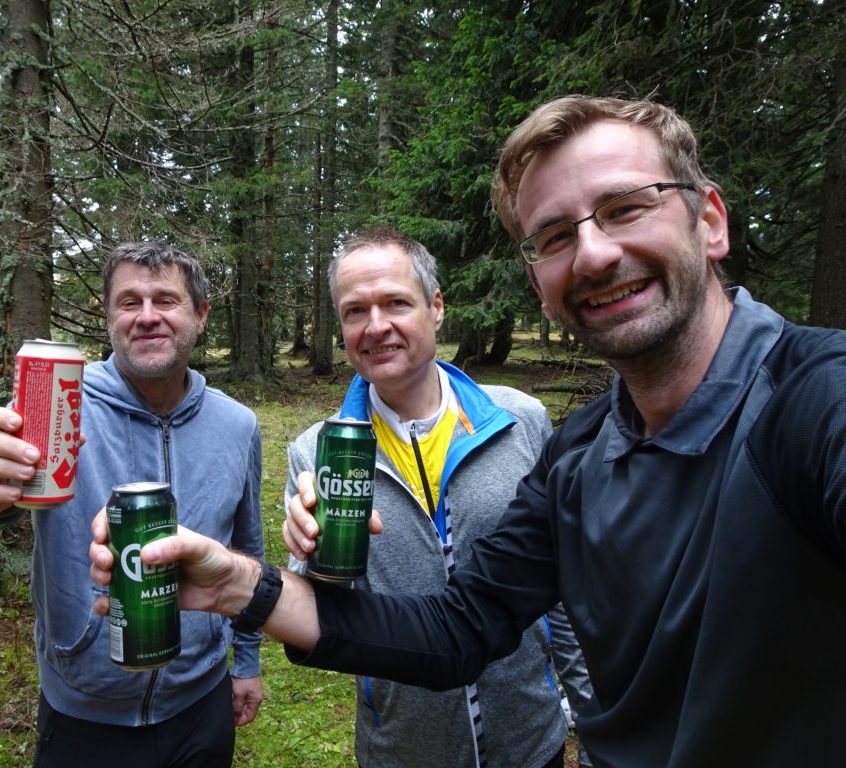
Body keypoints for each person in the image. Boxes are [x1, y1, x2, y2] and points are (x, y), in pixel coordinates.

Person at [89, 95, 846, 767]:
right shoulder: (581, 451)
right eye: (553, 236)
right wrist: (241, 587)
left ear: (709, 220)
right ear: (539, 284)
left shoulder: (813, 404)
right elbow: (460, 629)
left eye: (625, 207)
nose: (593, 252)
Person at [0, 241, 265, 768]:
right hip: (83, 715)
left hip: (201, 702)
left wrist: (246, 660)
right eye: (128, 301)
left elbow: (248, 546)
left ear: (201, 315)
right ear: (109, 315)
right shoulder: (62, 401)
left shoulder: (237, 425)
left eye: (166, 300)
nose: (147, 317)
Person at [283, 227, 593, 768]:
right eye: (355, 311)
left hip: (529, 740)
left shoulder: (520, 420)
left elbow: (565, 586)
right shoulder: (317, 451)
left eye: (396, 303)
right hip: (403, 750)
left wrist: (590, 710)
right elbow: (323, 618)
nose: (376, 326)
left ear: (436, 307)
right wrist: (307, 561)